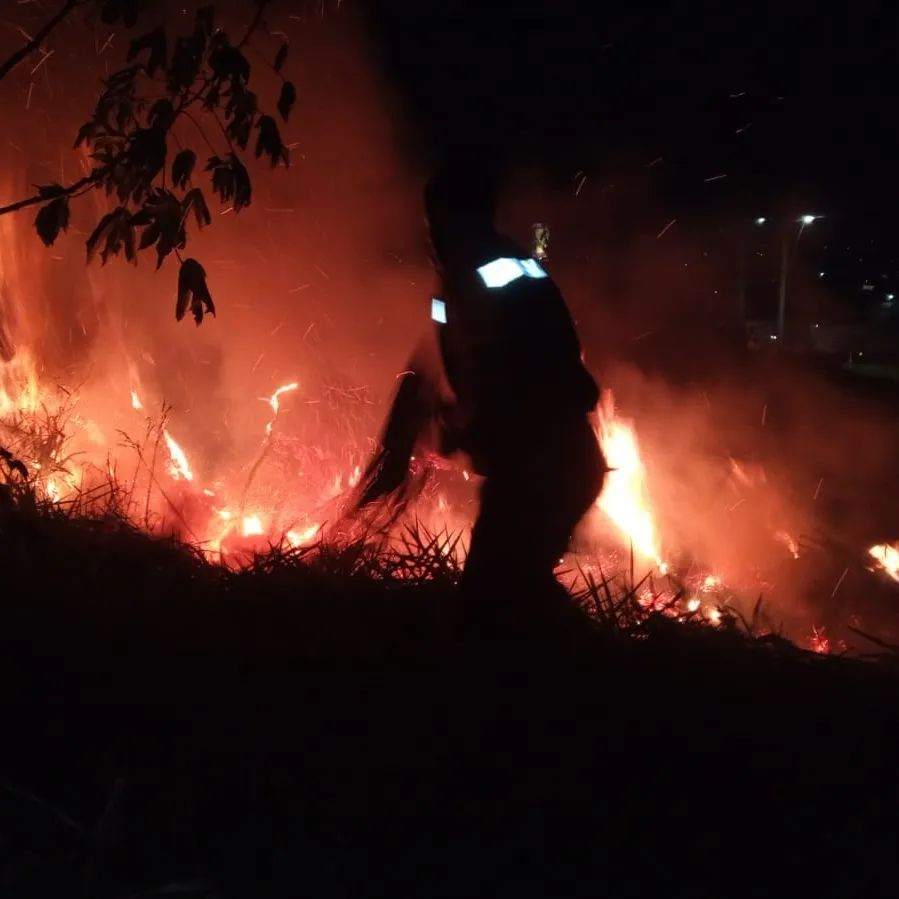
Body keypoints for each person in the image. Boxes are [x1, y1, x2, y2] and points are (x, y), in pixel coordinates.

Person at [353, 164, 605, 616]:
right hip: (549, 467)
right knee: (515, 595)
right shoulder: (467, 275)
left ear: (456, 217)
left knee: (489, 604)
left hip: (545, 470)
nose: (430, 232)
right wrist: (397, 448)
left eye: (436, 219)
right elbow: (431, 366)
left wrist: (460, 428)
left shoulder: (484, 274)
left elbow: (515, 381)